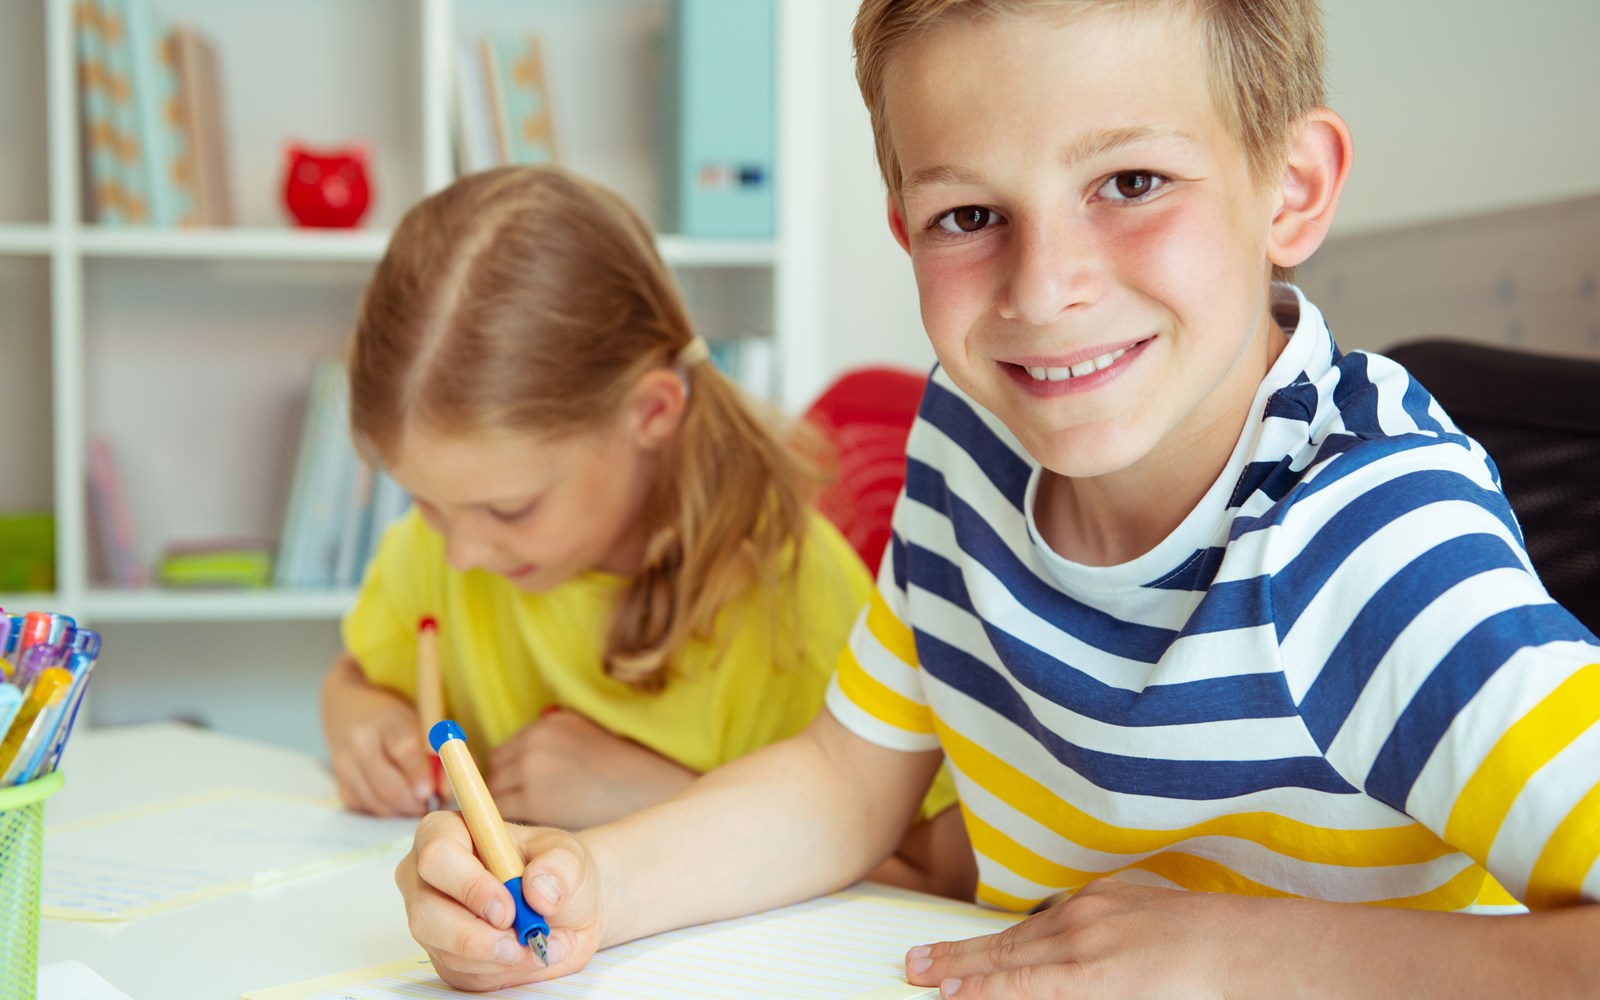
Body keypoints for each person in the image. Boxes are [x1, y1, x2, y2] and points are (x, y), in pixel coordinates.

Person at [394, 2, 1600, 995]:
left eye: (1130, 181)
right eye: (968, 216)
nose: (1044, 286)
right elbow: (841, 778)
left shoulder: (1370, 538)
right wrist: (590, 883)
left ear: (1289, 188)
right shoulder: (967, 441)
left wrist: (1248, 954)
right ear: (903, 227)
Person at [319, 164, 968, 894]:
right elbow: (354, 678)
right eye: (427, 503)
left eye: (511, 510)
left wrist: (661, 799)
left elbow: (939, 874)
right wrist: (367, 726)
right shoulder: (438, 543)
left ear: (652, 414)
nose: (463, 552)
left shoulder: (792, 600)